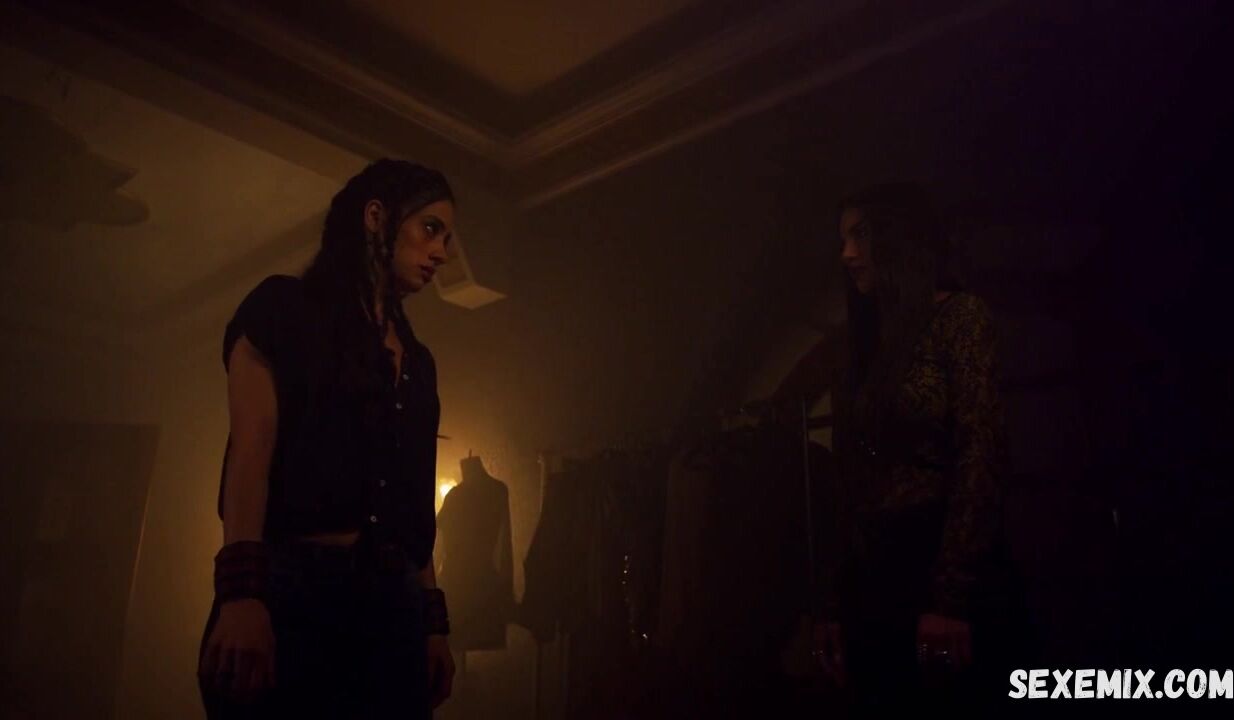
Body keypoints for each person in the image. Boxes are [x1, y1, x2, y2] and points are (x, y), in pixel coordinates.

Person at [197, 159, 457, 718]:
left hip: (393, 610)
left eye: (447, 238)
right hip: (296, 593)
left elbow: (414, 498)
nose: (442, 252)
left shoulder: (420, 362)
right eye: (431, 228)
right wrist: (242, 595)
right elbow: (250, 453)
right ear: (375, 217)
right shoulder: (283, 309)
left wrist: (432, 622)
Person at [812, 182, 1005, 712]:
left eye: (861, 235)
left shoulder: (958, 319)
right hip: (874, 579)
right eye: (843, 239)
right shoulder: (864, 344)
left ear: (897, 238)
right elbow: (847, 480)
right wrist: (832, 602)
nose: (847, 254)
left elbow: (981, 451)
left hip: (935, 562)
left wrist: (951, 596)